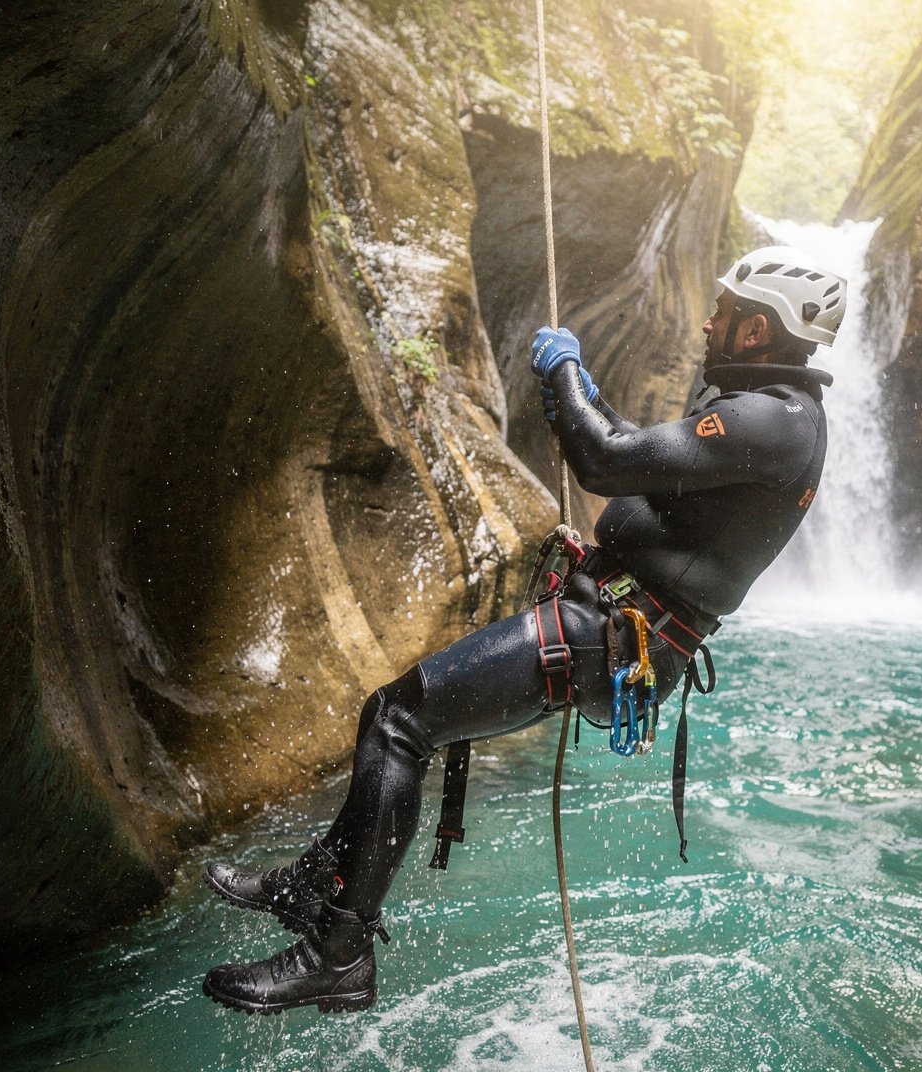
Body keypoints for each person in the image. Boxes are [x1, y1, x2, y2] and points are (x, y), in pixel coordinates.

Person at [196, 246, 846, 1015]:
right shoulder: (773, 414)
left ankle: (337, 952)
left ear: (756, 330)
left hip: (612, 634)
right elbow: (644, 457)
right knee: (397, 715)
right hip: (614, 627)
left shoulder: (773, 418)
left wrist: (567, 376)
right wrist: (591, 403)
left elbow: (606, 461)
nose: (709, 321)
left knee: (398, 721)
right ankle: (316, 888)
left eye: (726, 311)